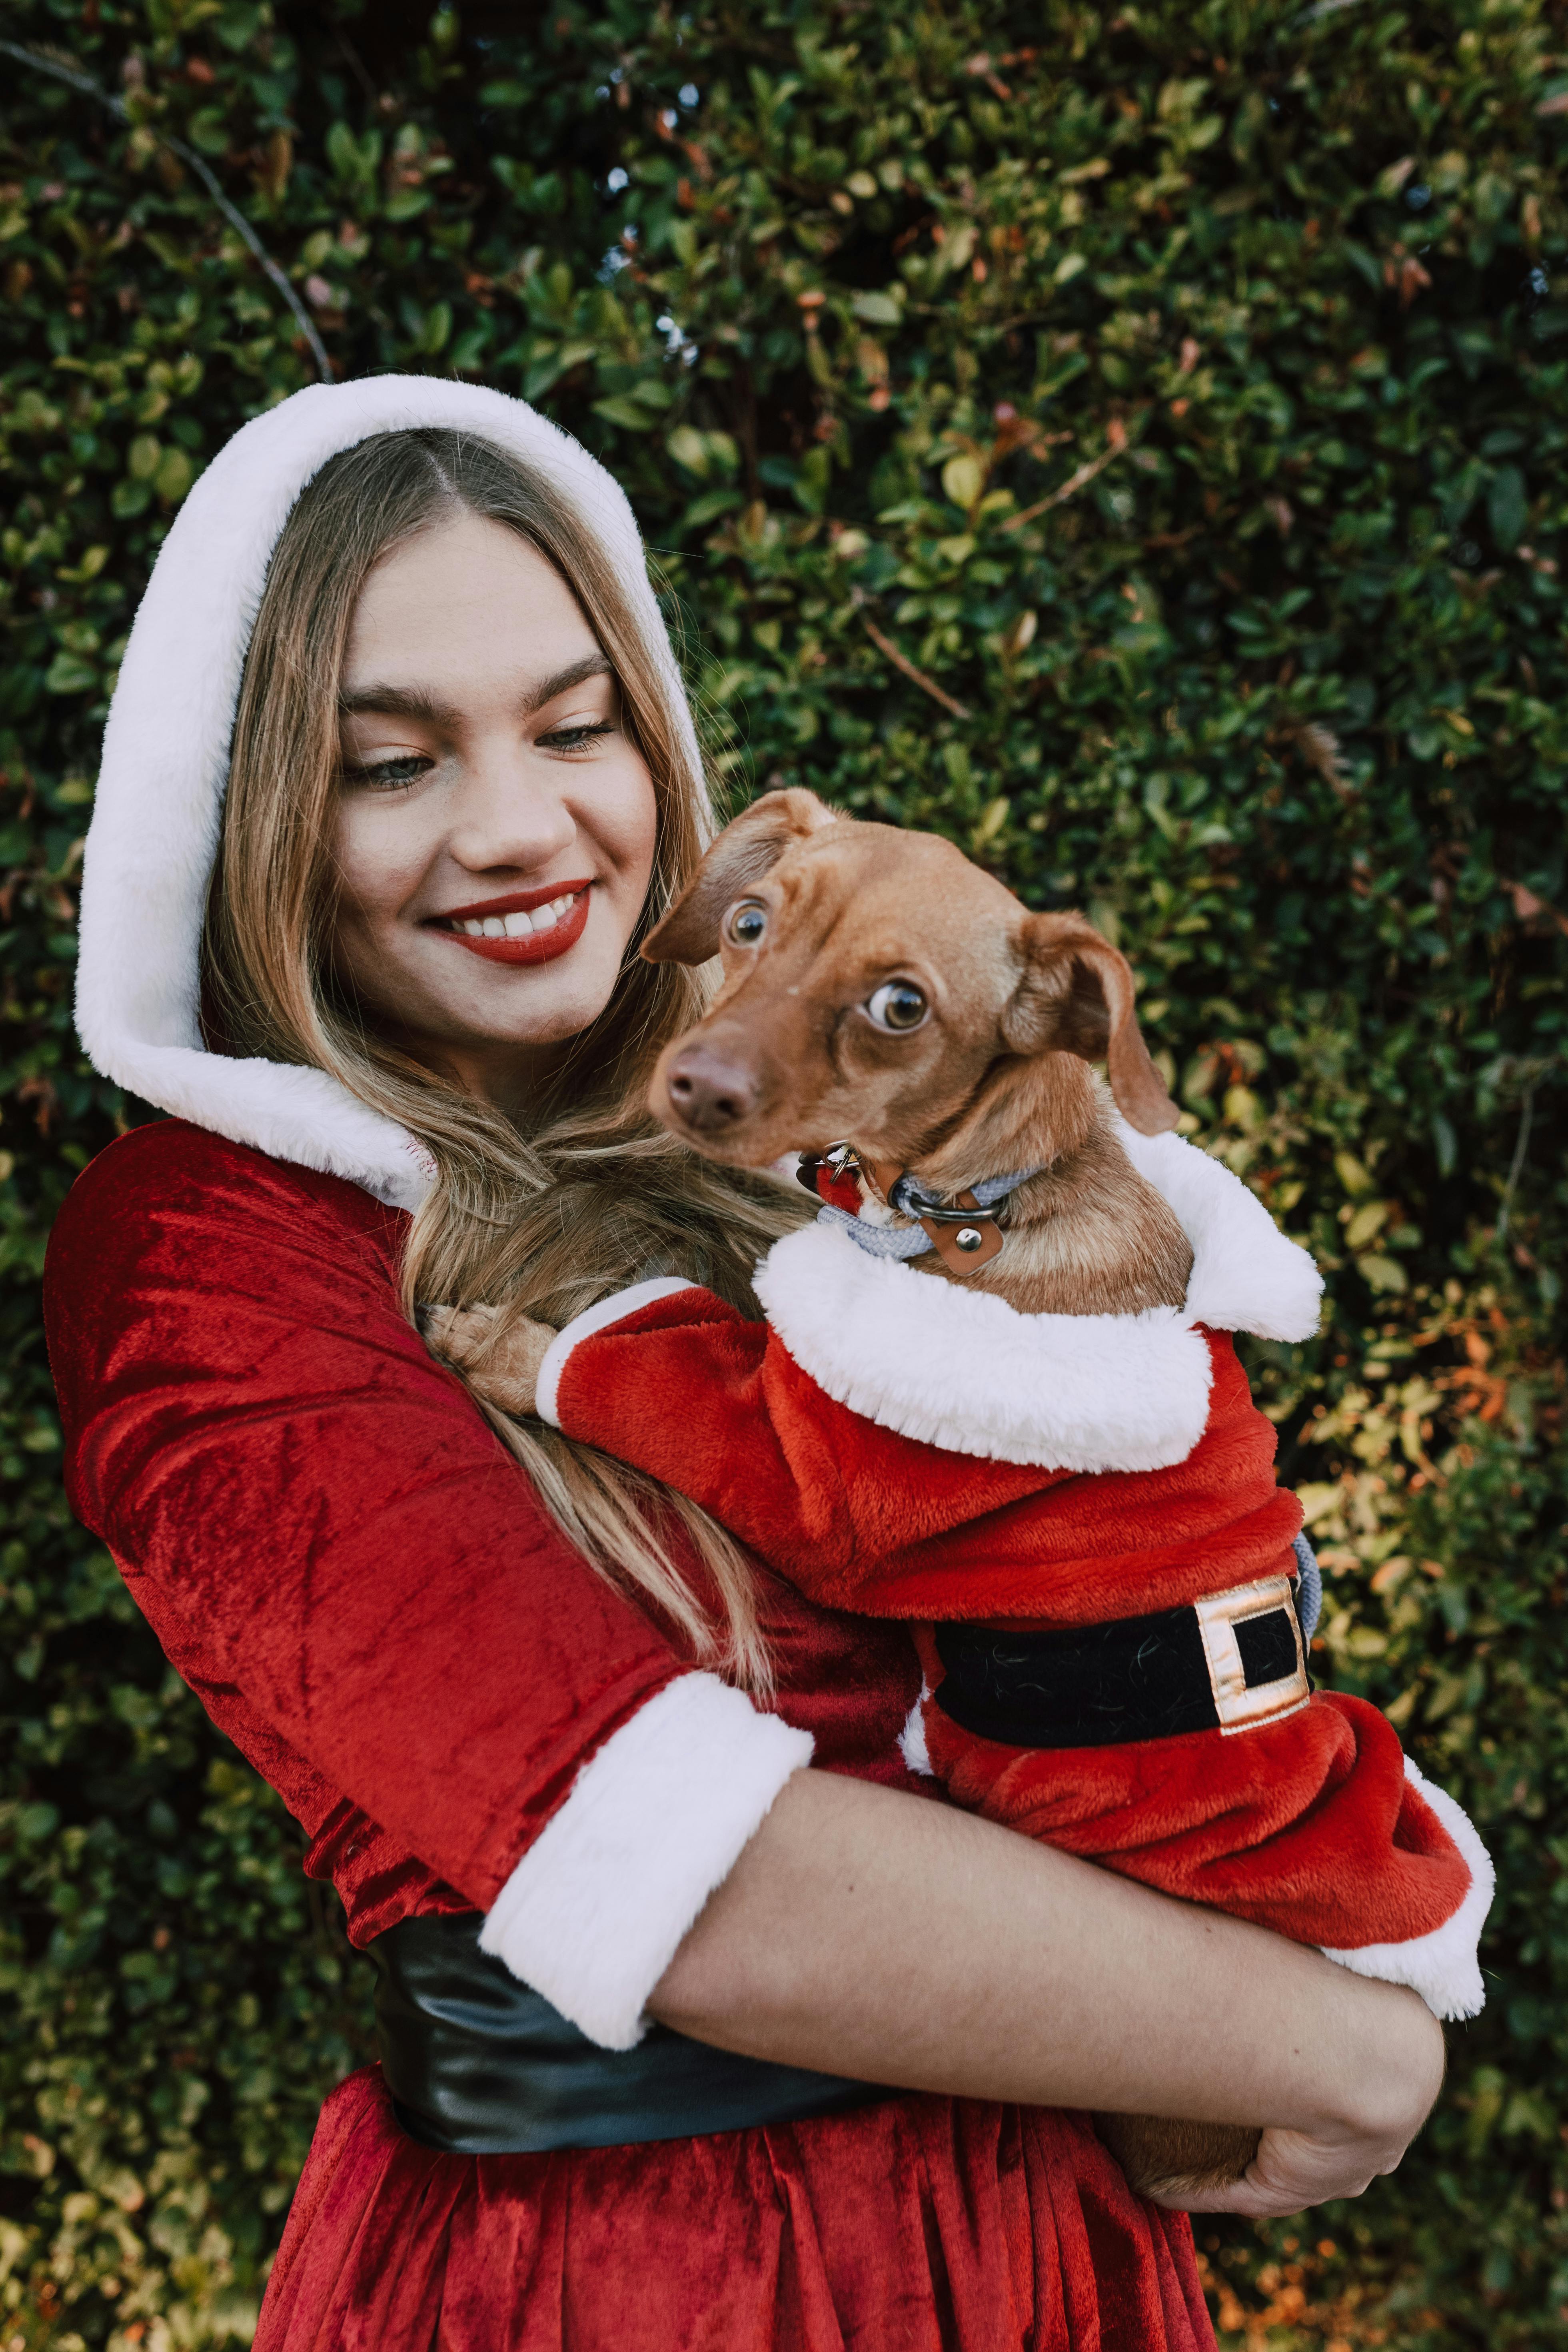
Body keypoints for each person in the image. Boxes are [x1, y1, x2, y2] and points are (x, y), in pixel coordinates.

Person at [42, 377, 1444, 2352]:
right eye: (392, 763)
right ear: (262, 805)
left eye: (574, 723)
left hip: (1041, 2249)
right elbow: (697, 1881)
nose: (516, 826)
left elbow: (1107, 1589)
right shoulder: (215, 1244)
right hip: (642, 2275)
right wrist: (1351, 2043)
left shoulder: (822, 1163)